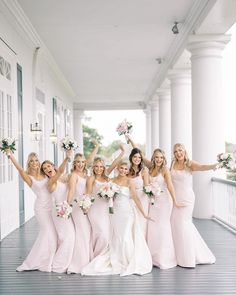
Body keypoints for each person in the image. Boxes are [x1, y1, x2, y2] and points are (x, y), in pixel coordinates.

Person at [81, 160, 152, 276]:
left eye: (126, 169)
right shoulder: (111, 181)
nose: (123, 171)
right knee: (117, 236)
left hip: (127, 212)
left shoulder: (129, 182)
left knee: (125, 237)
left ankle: (127, 260)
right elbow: (108, 196)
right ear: (117, 169)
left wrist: (144, 213)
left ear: (128, 170)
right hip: (114, 213)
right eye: (121, 168)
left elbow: (135, 198)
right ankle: (117, 258)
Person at [6, 150, 57, 272]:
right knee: (47, 232)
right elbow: (19, 169)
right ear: (29, 163)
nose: (34, 163)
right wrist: (11, 155)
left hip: (52, 207)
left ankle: (50, 258)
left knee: (52, 233)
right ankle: (32, 262)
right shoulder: (28, 177)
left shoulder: (45, 173)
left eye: (36, 160)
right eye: (32, 161)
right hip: (41, 208)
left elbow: (57, 176)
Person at [170, 143, 218, 268]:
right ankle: (178, 255)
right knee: (175, 224)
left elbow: (202, 167)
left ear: (184, 151)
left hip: (186, 199)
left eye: (180, 150)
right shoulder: (172, 164)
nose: (178, 153)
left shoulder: (189, 164)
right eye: (175, 151)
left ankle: (188, 257)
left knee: (184, 225)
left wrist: (214, 165)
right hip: (175, 199)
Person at [67, 140, 100, 274]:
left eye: (82, 162)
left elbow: (91, 159)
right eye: (78, 162)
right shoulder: (74, 175)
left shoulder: (86, 175)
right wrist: (67, 206)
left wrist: (97, 146)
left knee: (89, 232)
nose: (80, 164)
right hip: (78, 207)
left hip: (87, 206)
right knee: (83, 232)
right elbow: (71, 191)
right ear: (74, 163)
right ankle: (79, 263)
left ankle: (88, 259)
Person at [86, 145, 125, 258]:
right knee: (100, 233)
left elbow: (114, 164)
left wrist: (122, 153)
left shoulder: (107, 177)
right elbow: (88, 193)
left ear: (103, 167)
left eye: (101, 167)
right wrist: (86, 206)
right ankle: (97, 256)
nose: (99, 169)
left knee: (106, 233)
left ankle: (103, 256)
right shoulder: (91, 178)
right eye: (96, 166)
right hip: (95, 210)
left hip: (106, 210)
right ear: (93, 168)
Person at [147, 148, 182, 269]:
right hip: (152, 202)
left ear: (164, 159)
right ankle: (153, 256)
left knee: (162, 227)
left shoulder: (165, 170)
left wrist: (175, 201)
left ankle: (164, 257)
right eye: (157, 157)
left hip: (164, 202)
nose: (159, 159)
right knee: (152, 227)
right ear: (153, 158)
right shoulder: (150, 169)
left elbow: (170, 186)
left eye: (161, 157)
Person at [41, 150, 75, 273]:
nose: (47, 169)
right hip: (59, 212)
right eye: (44, 169)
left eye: (48, 166)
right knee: (67, 237)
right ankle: (58, 265)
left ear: (52, 166)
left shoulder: (64, 177)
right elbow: (60, 171)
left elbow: (71, 177)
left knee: (68, 237)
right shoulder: (50, 182)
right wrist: (67, 157)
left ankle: (66, 262)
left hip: (67, 209)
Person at [127, 147, 149, 238]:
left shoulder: (144, 171)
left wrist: (150, 191)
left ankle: (142, 244)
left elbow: (146, 186)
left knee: (141, 222)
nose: (137, 159)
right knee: (131, 223)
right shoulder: (127, 171)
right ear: (131, 157)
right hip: (130, 199)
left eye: (139, 157)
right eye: (135, 157)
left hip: (142, 199)